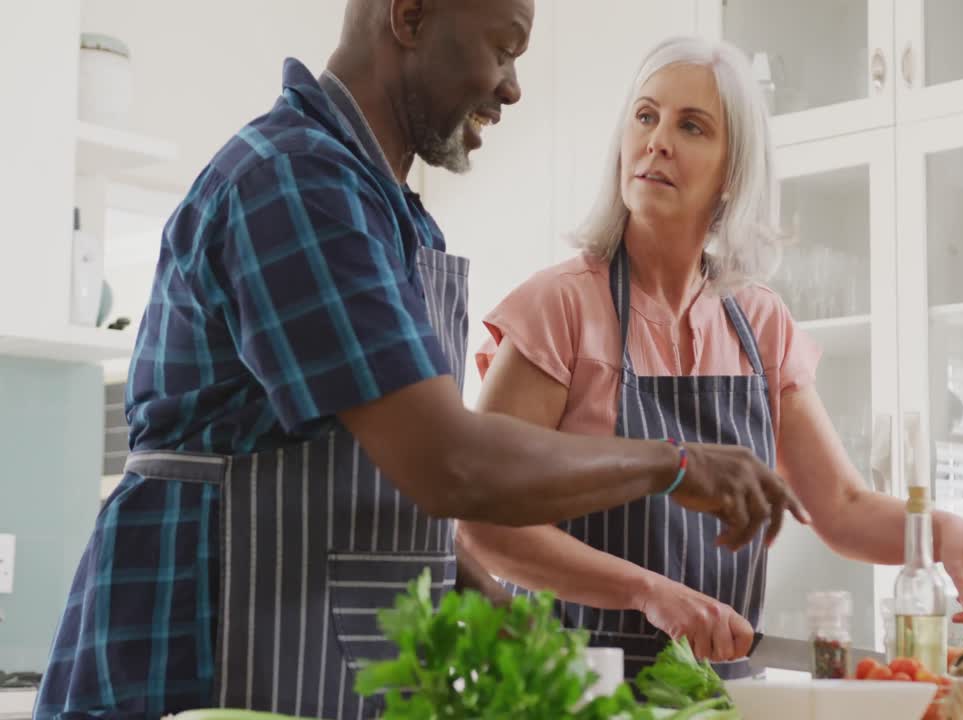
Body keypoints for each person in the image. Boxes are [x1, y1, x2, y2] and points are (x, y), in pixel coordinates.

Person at [35, 4, 808, 719]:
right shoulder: (293, 183)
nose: (512, 87)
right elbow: (449, 465)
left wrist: (513, 629)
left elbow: (386, 492)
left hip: (304, 676)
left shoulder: (388, 214)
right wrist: (674, 464)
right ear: (408, 17)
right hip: (190, 670)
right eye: (503, 48)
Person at [458, 36, 963, 680]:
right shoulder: (559, 308)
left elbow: (841, 507)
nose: (658, 141)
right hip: (573, 691)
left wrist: (942, 531)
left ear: (734, 172)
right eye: (646, 116)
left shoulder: (759, 323)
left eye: (691, 126)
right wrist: (647, 592)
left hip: (721, 695)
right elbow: (482, 522)